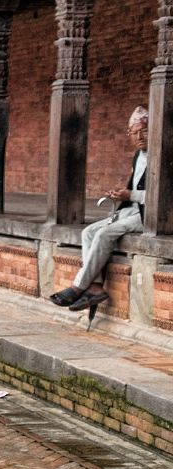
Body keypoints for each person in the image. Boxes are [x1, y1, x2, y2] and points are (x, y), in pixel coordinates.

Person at [49, 106, 149, 317]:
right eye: (135, 132)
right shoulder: (137, 156)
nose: (140, 137)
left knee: (104, 234)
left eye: (146, 131)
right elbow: (135, 188)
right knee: (88, 232)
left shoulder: (164, 156)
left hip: (150, 216)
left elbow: (164, 198)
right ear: (129, 134)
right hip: (129, 211)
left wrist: (131, 196)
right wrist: (121, 194)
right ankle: (94, 287)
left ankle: (77, 286)